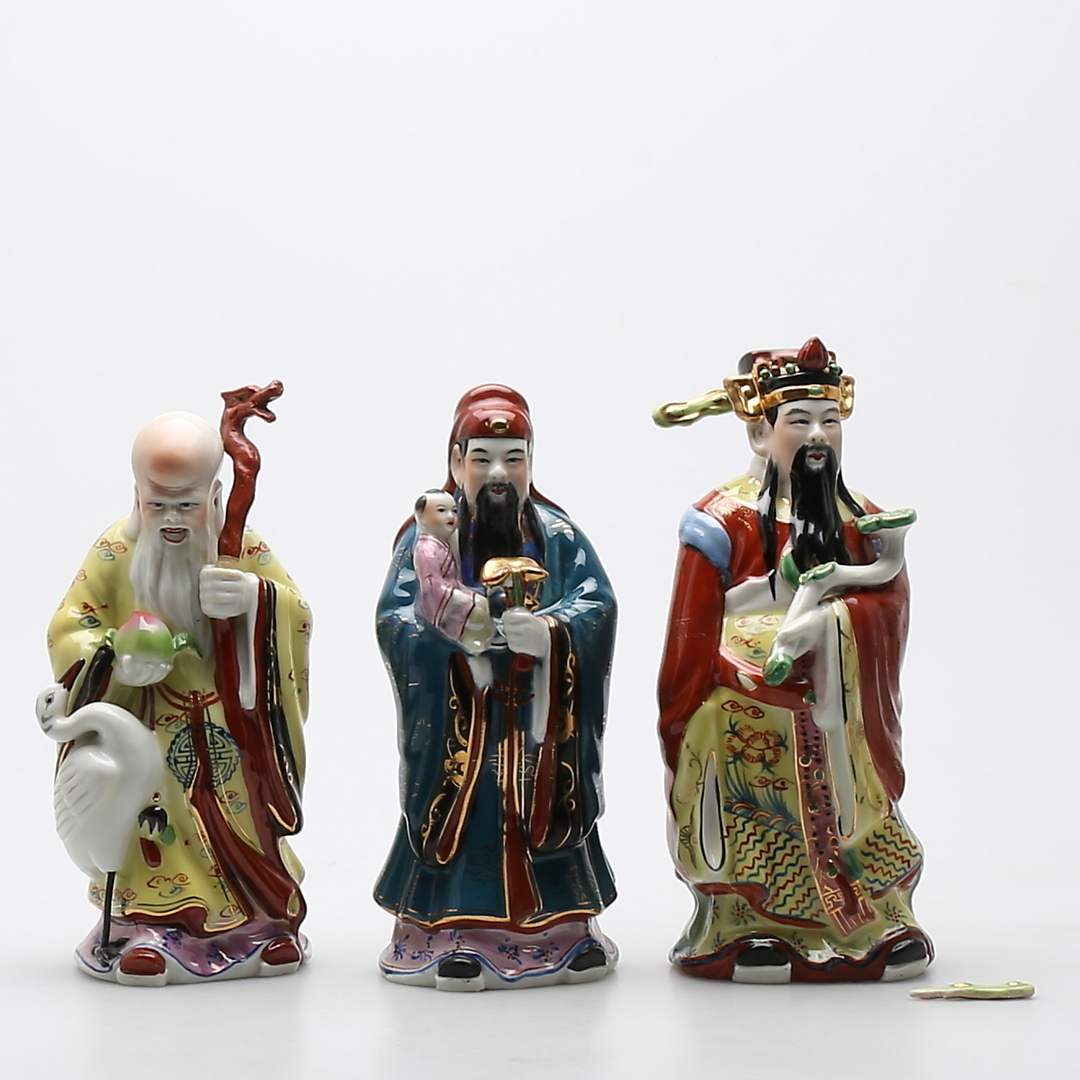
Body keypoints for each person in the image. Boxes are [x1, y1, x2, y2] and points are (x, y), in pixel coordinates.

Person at [656, 338, 931, 983]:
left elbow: (889, 601)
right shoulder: (718, 521)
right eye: (799, 421)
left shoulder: (862, 518)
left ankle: (875, 920)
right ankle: (745, 922)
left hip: (837, 703)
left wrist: (835, 626)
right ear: (759, 432)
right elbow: (690, 627)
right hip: (744, 707)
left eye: (830, 421)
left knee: (853, 804)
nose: (817, 437)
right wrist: (729, 672)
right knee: (747, 798)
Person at [47, 410, 311, 985]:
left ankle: (262, 925)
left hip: (230, 723)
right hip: (145, 724)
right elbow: (71, 626)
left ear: (215, 497)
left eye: (186, 505)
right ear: (136, 495)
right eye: (157, 504)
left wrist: (254, 600)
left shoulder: (240, 548)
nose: (171, 520)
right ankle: (148, 926)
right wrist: (115, 656)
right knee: (152, 815)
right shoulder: (114, 552)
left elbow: (296, 613)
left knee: (242, 817)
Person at [375, 385, 618, 990]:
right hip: (466, 720)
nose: (499, 474)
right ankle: (451, 932)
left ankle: (564, 932)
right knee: (469, 807)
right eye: (482, 458)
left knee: (544, 803)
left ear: (532, 462)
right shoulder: (429, 538)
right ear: (456, 461)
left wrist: (552, 633)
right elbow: (395, 617)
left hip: (539, 721)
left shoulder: (559, 535)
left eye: (514, 458)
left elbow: (597, 605)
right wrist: (457, 638)